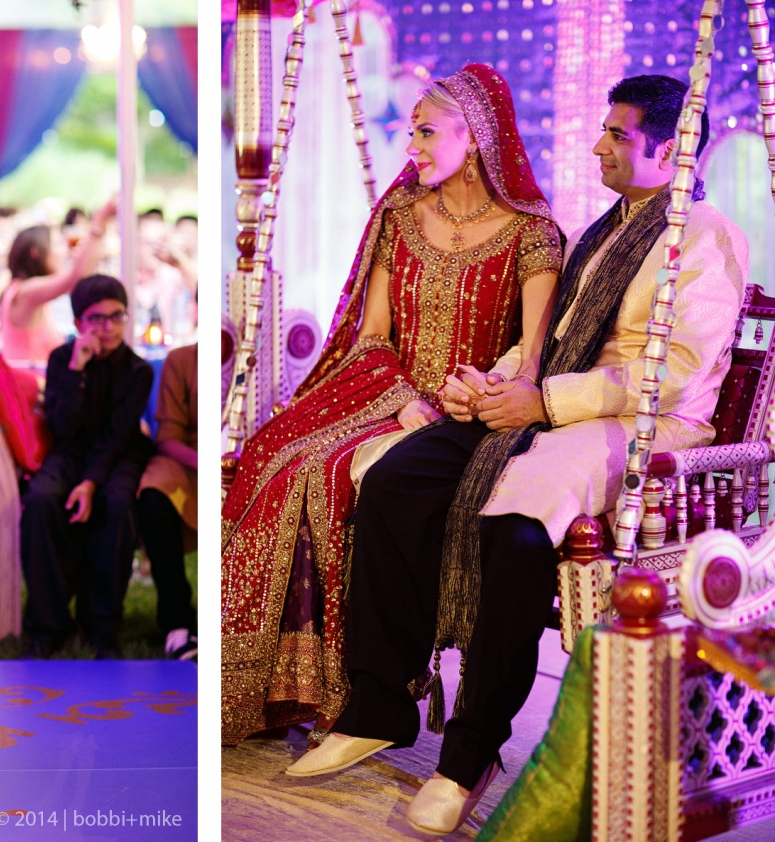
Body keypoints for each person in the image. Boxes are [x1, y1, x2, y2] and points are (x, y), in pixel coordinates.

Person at [288, 75, 748, 836]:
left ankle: (470, 755)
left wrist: (545, 403)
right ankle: (377, 707)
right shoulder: (604, 230)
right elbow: (550, 341)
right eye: (603, 130)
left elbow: (676, 375)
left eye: (618, 135)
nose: (598, 146)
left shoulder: (704, 236)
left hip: (644, 427)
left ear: (669, 149)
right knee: (397, 479)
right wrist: (493, 384)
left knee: (516, 523)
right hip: (554, 403)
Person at [221, 64, 564, 747]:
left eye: (427, 132)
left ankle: (351, 693)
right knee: (274, 455)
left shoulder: (532, 233)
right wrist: (403, 398)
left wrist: (470, 397)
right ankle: (272, 687)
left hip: (468, 411)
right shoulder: (401, 215)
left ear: (476, 137)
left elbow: (530, 358)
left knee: (331, 474)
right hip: (388, 393)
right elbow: (373, 334)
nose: (412, 146)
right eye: (411, 132)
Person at [20, 274, 155, 659]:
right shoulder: (61, 360)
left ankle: (101, 627)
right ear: (79, 322)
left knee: (118, 506)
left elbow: (117, 436)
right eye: (97, 318)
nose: (108, 327)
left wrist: (91, 483)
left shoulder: (138, 371)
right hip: (69, 452)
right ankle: (47, 626)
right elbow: (62, 428)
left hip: (120, 454)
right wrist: (77, 370)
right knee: (41, 500)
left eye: (117, 316)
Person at [0, 196, 117, 366]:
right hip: (30, 381)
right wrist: (100, 221)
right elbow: (75, 278)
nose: (64, 251)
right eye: (58, 244)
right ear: (35, 252)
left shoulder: (24, 289)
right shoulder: (27, 291)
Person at [137, 341, 198, 660]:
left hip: (251, 459)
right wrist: (205, 462)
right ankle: (177, 622)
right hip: (191, 461)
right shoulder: (182, 359)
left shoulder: (265, 354)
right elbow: (167, 437)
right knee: (153, 495)